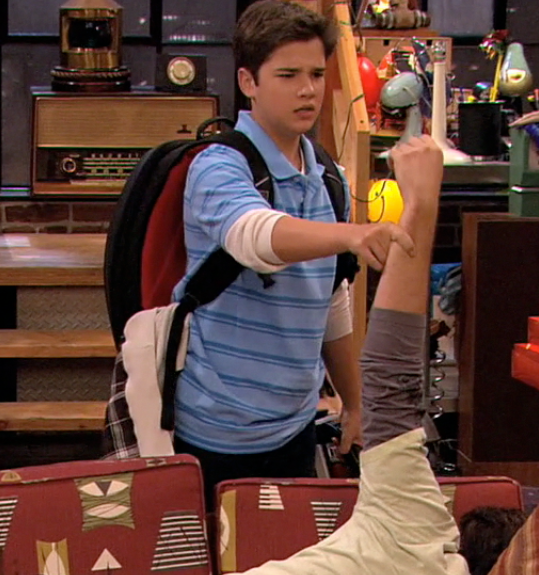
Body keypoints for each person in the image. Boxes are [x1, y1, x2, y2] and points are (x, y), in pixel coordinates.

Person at [172, 0, 414, 500]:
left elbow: (331, 301)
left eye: (316, 74)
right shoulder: (218, 165)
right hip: (215, 428)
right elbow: (255, 237)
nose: (308, 90)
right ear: (248, 81)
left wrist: (355, 403)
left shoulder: (329, 176)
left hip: (295, 427)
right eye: (288, 75)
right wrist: (352, 234)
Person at [230, 134, 469, 575]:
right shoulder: (414, 544)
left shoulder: (414, 540)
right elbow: (389, 380)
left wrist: (420, 206)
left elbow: (390, 378)